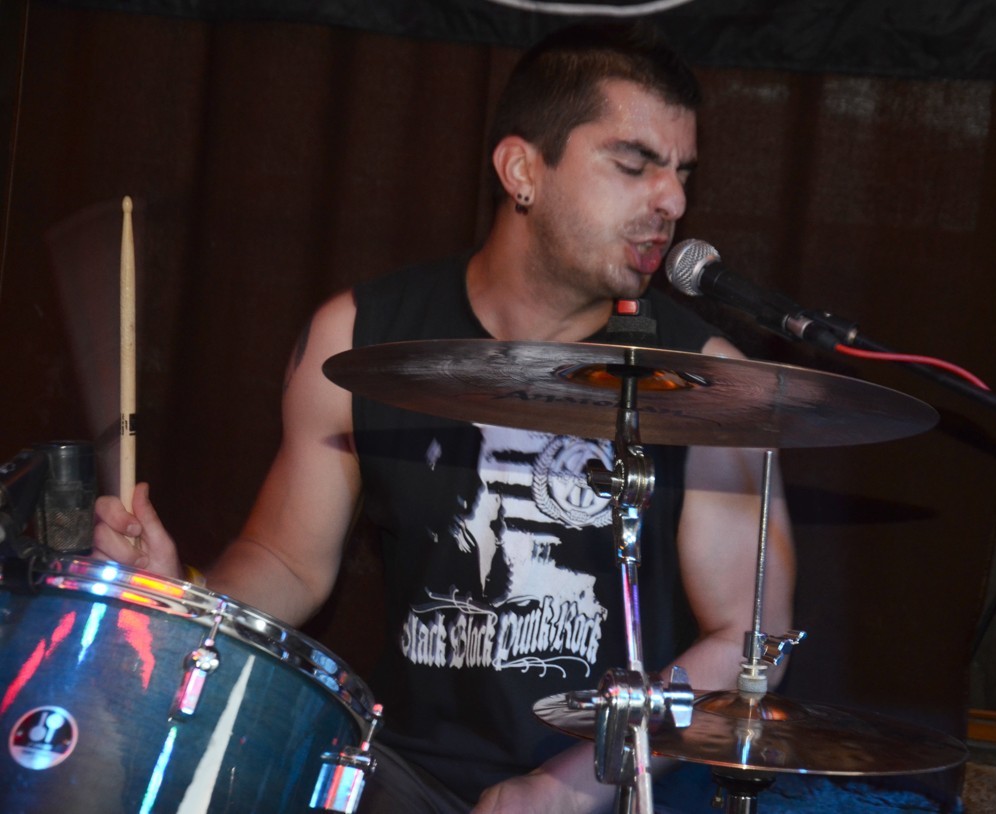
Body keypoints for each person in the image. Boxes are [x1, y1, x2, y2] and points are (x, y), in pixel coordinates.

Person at [93, 20, 795, 814]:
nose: (672, 201)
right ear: (522, 170)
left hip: (612, 785)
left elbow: (750, 640)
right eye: (634, 165)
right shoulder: (360, 336)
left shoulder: (709, 381)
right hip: (403, 778)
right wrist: (185, 606)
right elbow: (289, 563)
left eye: (680, 173)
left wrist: (569, 788)